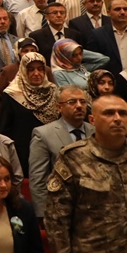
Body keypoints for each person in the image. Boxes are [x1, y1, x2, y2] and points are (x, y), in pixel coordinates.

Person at [46, 94, 127, 253]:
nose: (117, 119)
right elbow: (57, 216)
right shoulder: (74, 157)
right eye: (109, 113)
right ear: (92, 120)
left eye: (123, 113)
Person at [28, 85, 93, 221]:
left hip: (94, 210)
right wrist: (43, 213)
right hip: (61, 211)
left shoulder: (96, 132)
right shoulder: (43, 134)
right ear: (59, 107)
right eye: (72, 102)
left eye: (82, 101)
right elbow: (38, 179)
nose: (79, 106)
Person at [0, 52, 61, 173]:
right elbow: (4, 130)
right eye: (31, 69)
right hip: (23, 153)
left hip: (51, 150)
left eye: (40, 69)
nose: (36, 73)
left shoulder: (53, 91)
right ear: (23, 70)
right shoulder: (12, 94)